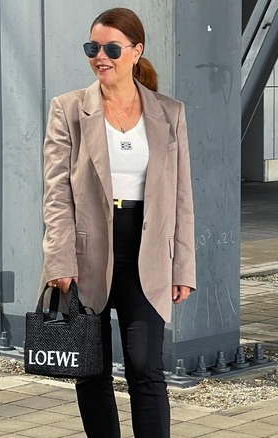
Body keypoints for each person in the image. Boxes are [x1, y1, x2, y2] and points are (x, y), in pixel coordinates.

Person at [40, 7, 196, 438]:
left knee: (147, 369)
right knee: (91, 372)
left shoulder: (170, 113)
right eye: (93, 48)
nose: (100, 57)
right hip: (85, 255)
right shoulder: (68, 109)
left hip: (147, 254)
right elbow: (55, 193)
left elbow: (182, 198)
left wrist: (182, 267)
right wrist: (59, 260)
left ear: (135, 51)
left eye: (111, 48)